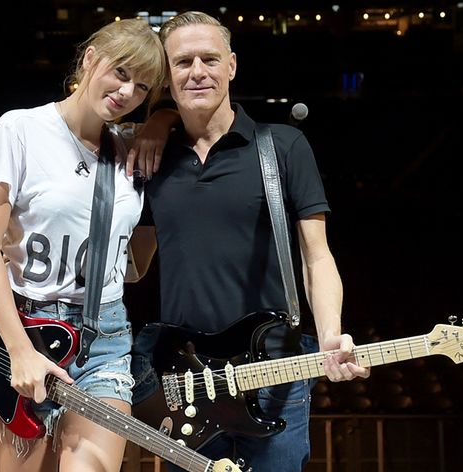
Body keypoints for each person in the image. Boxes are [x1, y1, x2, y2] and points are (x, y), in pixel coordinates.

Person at [129, 11, 371, 472]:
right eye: (182, 62)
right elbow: (134, 268)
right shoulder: (153, 159)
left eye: (209, 59)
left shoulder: (281, 146)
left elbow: (316, 257)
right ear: (166, 75)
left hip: (275, 374)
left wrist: (331, 334)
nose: (197, 71)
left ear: (232, 66)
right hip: (188, 379)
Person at [0, 18, 166, 472]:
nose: (127, 92)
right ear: (90, 58)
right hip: (20, 325)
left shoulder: (133, 150)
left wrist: (165, 117)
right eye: (121, 72)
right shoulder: (20, 130)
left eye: (142, 88)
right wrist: (18, 350)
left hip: (104, 337)